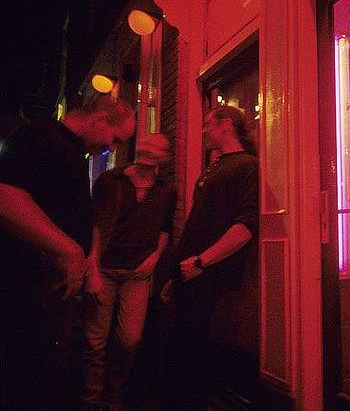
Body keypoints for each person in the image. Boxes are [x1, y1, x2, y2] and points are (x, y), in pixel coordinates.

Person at [0, 95, 135, 410]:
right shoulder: (41, 137)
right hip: (26, 288)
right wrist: (69, 249)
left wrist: (89, 263)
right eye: (116, 138)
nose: (113, 148)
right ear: (101, 119)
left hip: (47, 289)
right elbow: (5, 195)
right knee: (28, 377)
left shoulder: (72, 151)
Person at [162, 105, 258, 410]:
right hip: (187, 269)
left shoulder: (247, 165)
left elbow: (246, 226)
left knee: (193, 343)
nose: (203, 131)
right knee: (183, 340)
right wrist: (176, 274)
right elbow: (198, 221)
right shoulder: (215, 165)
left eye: (208, 125)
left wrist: (201, 261)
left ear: (226, 125)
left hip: (204, 271)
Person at [80, 133, 176, 411]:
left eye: (155, 146)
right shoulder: (111, 181)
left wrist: (155, 256)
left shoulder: (167, 190)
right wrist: (92, 267)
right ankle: (91, 399)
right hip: (106, 268)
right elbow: (96, 225)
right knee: (95, 340)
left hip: (137, 274)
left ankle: (115, 396)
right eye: (145, 143)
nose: (146, 148)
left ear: (165, 157)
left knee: (129, 340)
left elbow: (165, 228)